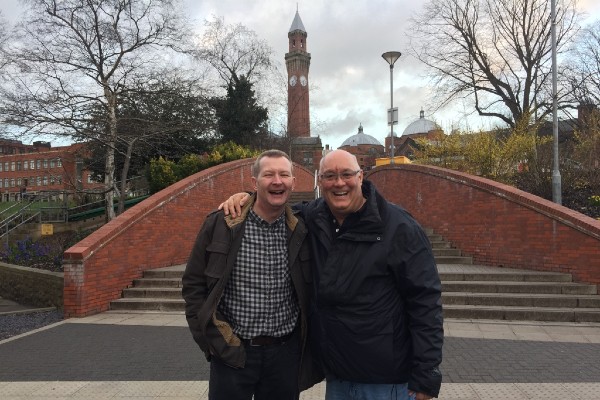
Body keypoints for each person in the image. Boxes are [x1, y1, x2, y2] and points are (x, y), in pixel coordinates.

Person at [222, 149, 444, 400]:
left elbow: (425, 302)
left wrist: (426, 375)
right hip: (338, 376)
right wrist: (246, 198)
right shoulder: (314, 217)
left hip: (386, 380)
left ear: (361, 177)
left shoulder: (398, 226)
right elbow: (271, 208)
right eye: (329, 176)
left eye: (347, 174)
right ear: (320, 182)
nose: (339, 183)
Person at [182, 149, 322, 400]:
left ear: (294, 182)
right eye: (268, 174)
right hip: (232, 352)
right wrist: (212, 342)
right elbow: (193, 285)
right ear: (254, 182)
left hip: (284, 355)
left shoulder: (303, 227)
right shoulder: (221, 224)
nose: (277, 181)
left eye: (284, 175)